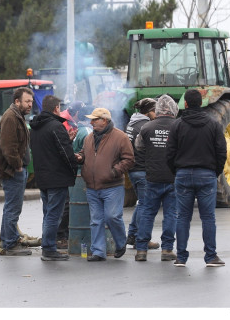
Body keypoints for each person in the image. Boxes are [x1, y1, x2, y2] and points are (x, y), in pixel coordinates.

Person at [166, 89, 227, 267]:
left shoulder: (177, 125)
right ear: (201, 103)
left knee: (183, 217)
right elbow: (221, 152)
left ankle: (181, 257)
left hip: (183, 174)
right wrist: (214, 171)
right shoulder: (214, 124)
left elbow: (169, 153)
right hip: (206, 174)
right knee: (208, 217)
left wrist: (176, 171)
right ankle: (210, 256)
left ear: (185, 104)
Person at [76, 107, 134, 261]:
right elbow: (84, 153)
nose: (91, 122)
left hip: (112, 186)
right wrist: (80, 157)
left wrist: (114, 171)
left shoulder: (120, 137)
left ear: (105, 120)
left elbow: (129, 159)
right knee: (96, 220)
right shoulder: (89, 138)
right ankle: (98, 251)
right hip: (92, 186)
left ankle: (121, 243)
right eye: (92, 119)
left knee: (112, 216)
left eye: (95, 119)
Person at [30, 95, 77, 261]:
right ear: (56, 108)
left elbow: (49, 149)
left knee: (48, 213)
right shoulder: (56, 126)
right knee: (54, 215)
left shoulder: (35, 127)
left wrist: (67, 141)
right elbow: (65, 153)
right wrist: (74, 166)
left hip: (42, 176)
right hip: (57, 177)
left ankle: (47, 245)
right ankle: (49, 248)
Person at [134, 94, 179, 262]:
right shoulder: (178, 126)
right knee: (171, 214)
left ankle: (141, 250)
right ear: (174, 109)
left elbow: (139, 147)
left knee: (147, 213)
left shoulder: (146, 127)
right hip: (173, 178)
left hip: (152, 177)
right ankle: (167, 249)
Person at [0, 87, 34, 256]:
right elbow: (8, 147)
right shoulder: (11, 118)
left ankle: (7, 238)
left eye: (31, 101)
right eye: (27, 101)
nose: (30, 105)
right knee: (13, 208)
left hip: (16, 170)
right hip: (13, 171)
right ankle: (10, 244)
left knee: (11, 207)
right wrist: (17, 165)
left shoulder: (17, 116)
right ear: (17, 101)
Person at [124, 98, 159, 250]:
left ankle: (132, 235)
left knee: (142, 204)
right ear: (150, 111)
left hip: (133, 170)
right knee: (147, 206)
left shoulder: (132, 124)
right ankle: (142, 239)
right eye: (155, 111)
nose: (157, 114)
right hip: (143, 169)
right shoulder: (146, 126)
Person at [56, 100, 86, 248]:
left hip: (63, 167)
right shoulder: (64, 122)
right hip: (62, 168)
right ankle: (60, 235)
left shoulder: (68, 120)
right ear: (78, 113)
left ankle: (61, 234)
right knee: (65, 203)